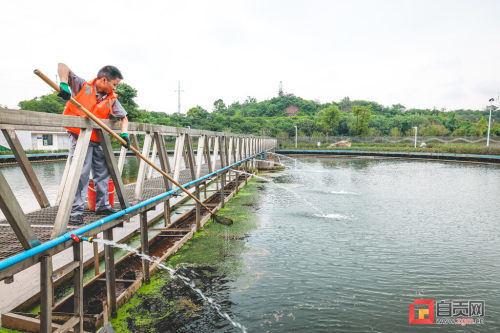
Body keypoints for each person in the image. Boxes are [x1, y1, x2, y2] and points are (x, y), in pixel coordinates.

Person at [57, 63, 131, 224]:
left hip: (98, 140)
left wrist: (124, 133)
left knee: (103, 173)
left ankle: (103, 206)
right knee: (80, 175)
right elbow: (63, 66)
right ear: (104, 80)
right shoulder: (82, 85)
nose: (115, 88)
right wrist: (63, 83)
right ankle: (75, 212)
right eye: (114, 84)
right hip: (80, 137)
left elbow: (123, 117)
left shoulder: (111, 98)